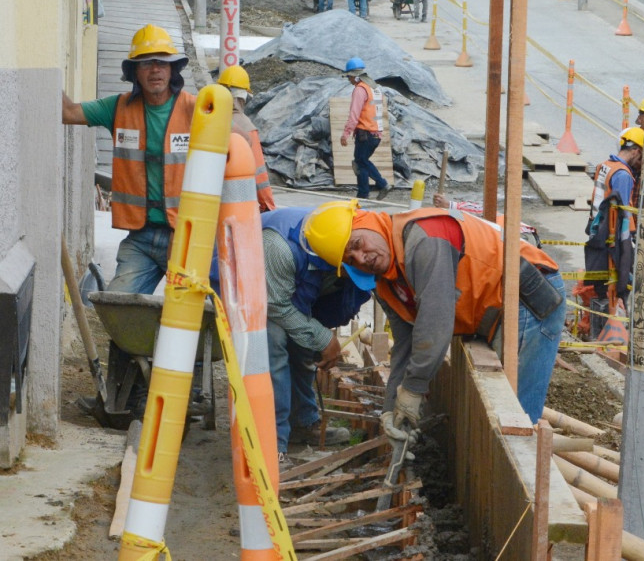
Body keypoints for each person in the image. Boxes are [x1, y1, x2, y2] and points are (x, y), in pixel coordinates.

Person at [300, 199, 567, 446]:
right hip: (493, 307)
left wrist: (413, 389)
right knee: (500, 419)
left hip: (526, 296)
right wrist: (391, 410)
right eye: (351, 260)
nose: (362, 258)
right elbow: (405, 343)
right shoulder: (387, 279)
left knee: (516, 419)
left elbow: (435, 324)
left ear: (367, 221)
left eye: (358, 244)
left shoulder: (424, 239)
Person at [62, 24, 195, 416]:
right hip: (140, 236)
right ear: (134, 71)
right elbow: (68, 113)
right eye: (147, 64)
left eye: (162, 63)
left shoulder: (195, 109)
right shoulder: (119, 108)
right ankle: (119, 403)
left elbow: (236, 137)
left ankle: (186, 399)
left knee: (189, 319)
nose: (155, 70)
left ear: (173, 70)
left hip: (184, 236)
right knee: (119, 312)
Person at [212, 207, 373, 468]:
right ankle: (271, 447)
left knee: (303, 344)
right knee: (274, 343)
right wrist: (323, 338)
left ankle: (302, 422)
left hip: (278, 289)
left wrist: (318, 336)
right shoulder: (280, 247)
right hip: (242, 288)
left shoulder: (339, 240)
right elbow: (275, 305)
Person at [585, 127, 644, 305]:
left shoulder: (605, 166)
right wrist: (626, 246)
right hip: (612, 238)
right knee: (619, 286)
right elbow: (622, 213)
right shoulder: (623, 175)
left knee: (602, 286)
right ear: (635, 151)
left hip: (597, 231)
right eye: (642, 156)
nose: (641, 162)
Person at [216, 66, 276, 212]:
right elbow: (259, 174)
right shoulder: (246, 127)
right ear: (243, 97)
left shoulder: (209, 119)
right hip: (237, 203)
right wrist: (268, 206)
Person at [340, 57, 392, 200]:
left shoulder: (360, 90)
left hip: (366, 133)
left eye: (349, 77)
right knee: (360, 162)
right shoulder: (374, 88)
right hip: (376, 133)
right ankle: (363, 194)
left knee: (361, 161)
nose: (349, 80)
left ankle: (383, 184)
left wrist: (345, 133)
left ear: (355, 76)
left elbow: (354, 115)